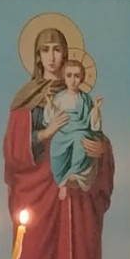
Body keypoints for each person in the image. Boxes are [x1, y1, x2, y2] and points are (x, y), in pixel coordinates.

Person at [3, 25, 114, 259]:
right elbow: (14, 154)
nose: (51, 56)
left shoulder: (82, 98)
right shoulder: (25, 101)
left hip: (76, 200)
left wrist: (99, 150)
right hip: (38, 203)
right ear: (37, 56)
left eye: (57, 49)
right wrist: (46, 134)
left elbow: (94, 136)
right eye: (45, 50)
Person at [44, 57, 104, 198]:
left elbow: (92, 124)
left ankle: (71, 175)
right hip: (62, 134)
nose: (73, 80)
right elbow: (49, 118)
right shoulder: (59, 97)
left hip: (80, 131)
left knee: (80, 138)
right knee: (56, 145)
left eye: (77, 76)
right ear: (64, 77)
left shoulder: (85, 99)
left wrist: (96, 108)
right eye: (69, 75)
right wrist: (50, 103)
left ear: (81, 78)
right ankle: (62, 178)